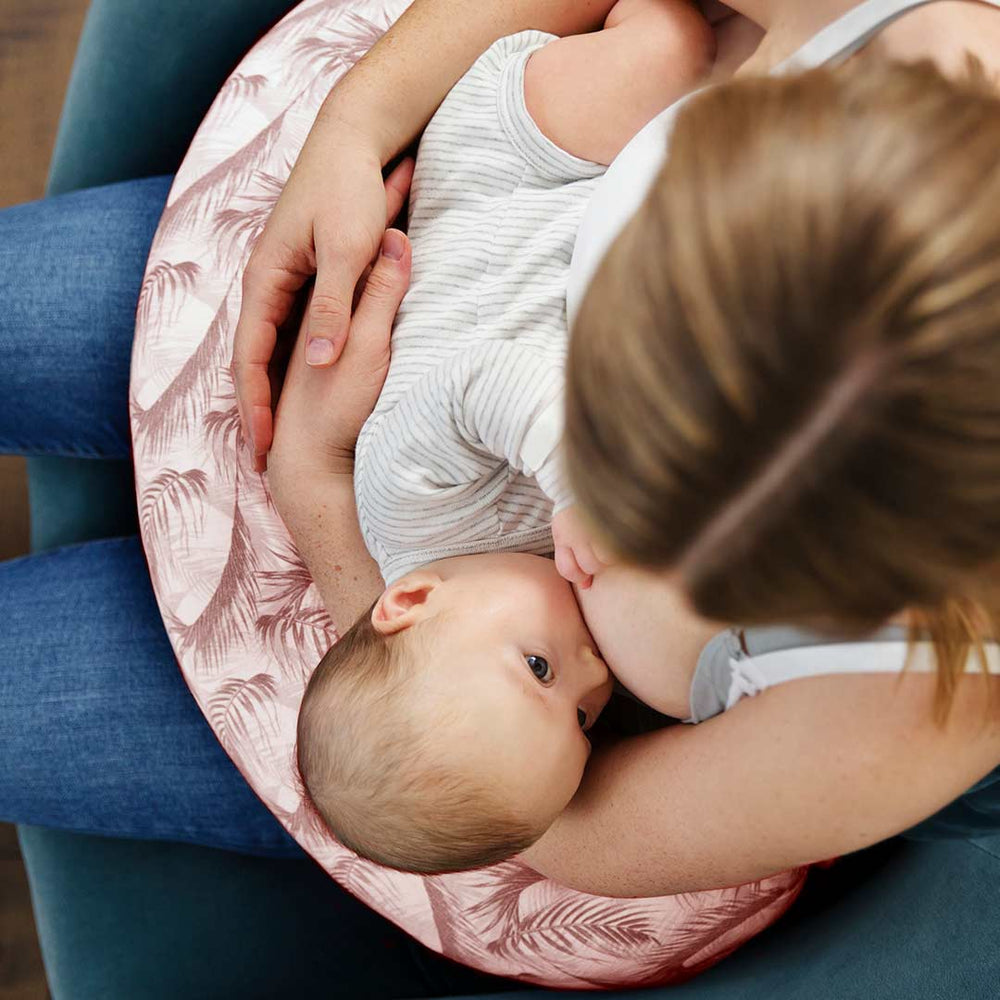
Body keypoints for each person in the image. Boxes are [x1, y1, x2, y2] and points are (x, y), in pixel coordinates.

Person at [251, 0, 1000, 900]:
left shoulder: (907, 706)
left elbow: (563, 837)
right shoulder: (928, 48)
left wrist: (314, 493)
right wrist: (357, 117)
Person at [294, 8, 714, 875]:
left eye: (538, 669)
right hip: (609, 221)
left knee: (669, 47)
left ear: (408, 601)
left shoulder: (406, 503)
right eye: (583, 721)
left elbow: (486, 379)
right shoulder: (531, 595)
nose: (595, 680)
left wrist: (579, 485)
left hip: (516, 166)